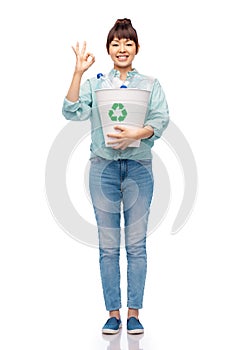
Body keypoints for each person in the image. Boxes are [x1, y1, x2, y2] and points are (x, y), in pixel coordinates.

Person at [62, 18, 169, 335]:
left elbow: (161, 120)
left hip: (139, 168)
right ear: (109, 49)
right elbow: (71, 112)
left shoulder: (150, 84)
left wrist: (142, 131)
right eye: (116, 43)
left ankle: (134, 314)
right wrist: (78, 72)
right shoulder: (95, 84)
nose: (122, 48)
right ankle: (113, 313)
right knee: (108, 246)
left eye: (128, 43)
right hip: (103, 169)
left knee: (136, 245)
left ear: (137, 48)